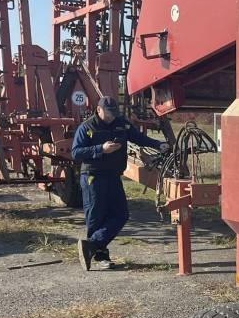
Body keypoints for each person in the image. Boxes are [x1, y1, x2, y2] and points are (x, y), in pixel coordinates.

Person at [71, 96, 169, 271]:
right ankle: (100, 256)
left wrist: (158, 144)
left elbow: (138, 138)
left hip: (113, 175)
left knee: (121, 214)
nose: (112, 117)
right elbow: (76, 153)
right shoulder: (87, 127)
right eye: (108, 113)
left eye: (114, 113)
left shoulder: (121, 124)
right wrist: (101, 149)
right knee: (96, 216)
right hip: (93, 176)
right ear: (99, 110)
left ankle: (91, 245)